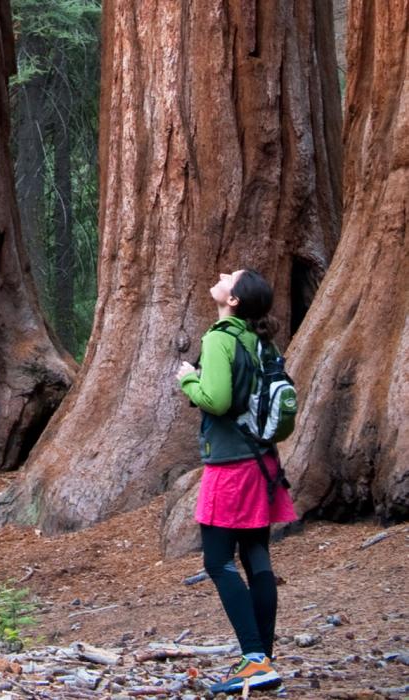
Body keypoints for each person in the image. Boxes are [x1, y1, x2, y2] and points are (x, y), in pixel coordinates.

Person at [176, 269, 298, 694]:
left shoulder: (219, 339)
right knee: (256, 556)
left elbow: (217, 400)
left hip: (230, 466)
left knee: (217, 562)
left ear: (234, 301)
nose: (223, 274)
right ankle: (263, 661)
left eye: (232, 277)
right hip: (263, 463)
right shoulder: (261, 339)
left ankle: (254, 658)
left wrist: (188, 379)